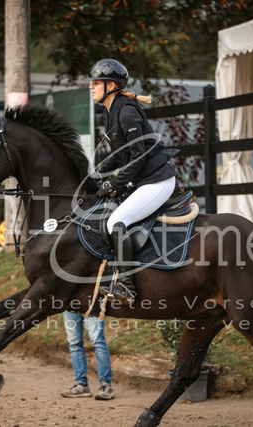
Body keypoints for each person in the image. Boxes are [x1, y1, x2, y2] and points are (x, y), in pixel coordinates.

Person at [88, 58, 177, 303]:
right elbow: (119, 156)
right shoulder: (110, 111)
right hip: (143, 181)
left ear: (111, 86)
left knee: (116, 222)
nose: (91, 86)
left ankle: (126, 285)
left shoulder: (126, 111)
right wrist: (96, 175)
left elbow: (138, 158)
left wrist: (112, 184)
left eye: (96, 82)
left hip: (157, 182)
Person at [60, 311, 115, 400]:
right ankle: (82, 385)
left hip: (91, 303)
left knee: (97, 341)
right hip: (70, 306)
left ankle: (106, 385)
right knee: (74, 343)